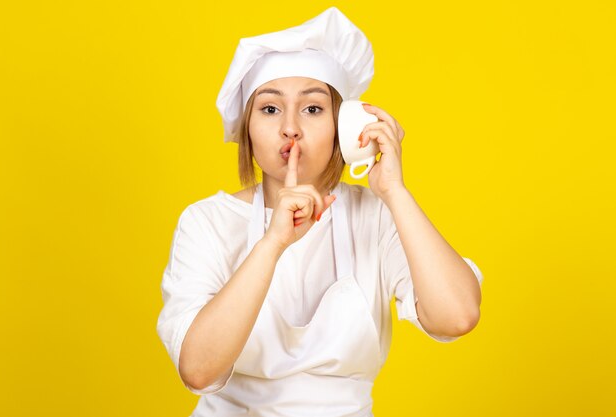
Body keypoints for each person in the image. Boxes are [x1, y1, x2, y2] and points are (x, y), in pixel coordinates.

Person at [156, 7, 484, 417]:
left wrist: (394, 192)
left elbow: (458, 315)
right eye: (270, 109)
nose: (290, 128)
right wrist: (273, 243)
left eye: (312, 109)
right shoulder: (206, 223)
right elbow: (198, 370)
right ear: (248, 131)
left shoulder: (375, 217)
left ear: (341, 128)